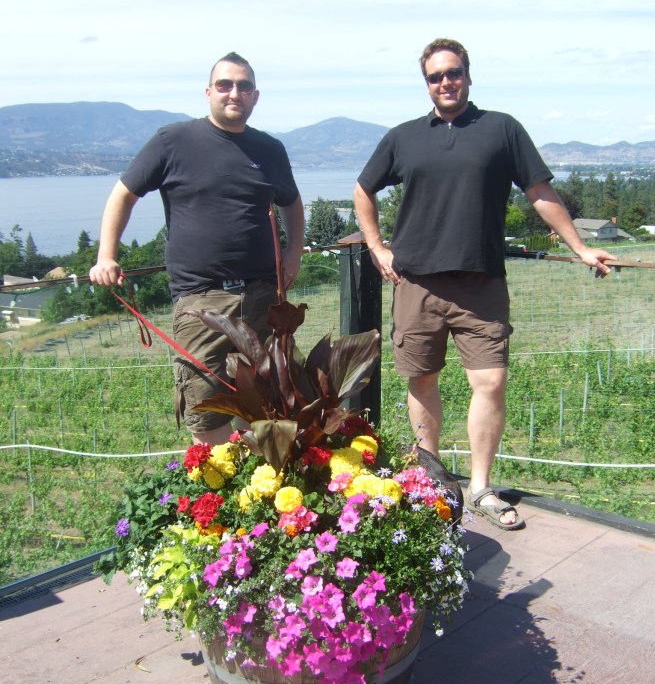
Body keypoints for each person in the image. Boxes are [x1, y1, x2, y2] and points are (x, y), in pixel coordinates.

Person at [354, 37, 616, 530]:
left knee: (490, 382)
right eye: (435, 76)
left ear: (468, 76)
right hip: (418, 284)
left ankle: (480, 489)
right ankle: (430, 484)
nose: (445, 82)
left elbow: (539, 191)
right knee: (422, 379)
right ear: (426, 83)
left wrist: (579, 247)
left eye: (453, 73)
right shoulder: (403, 137)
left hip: (481, 284)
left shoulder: (502, 129)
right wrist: (376, 246)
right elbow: (363, 189)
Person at [90, 52, 305, 445]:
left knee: (267, 407)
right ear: (208, 93)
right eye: (224, 85)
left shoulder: (270, 149)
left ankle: (256, 497)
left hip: (262, 296)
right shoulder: (173, 141)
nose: (233, 93)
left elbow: (291, 202)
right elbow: (123, 195)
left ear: (256, 96)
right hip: (200, 299)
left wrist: (293, 254)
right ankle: (219, 500)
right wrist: (107, 255)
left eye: (243, 86)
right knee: (206, 408)